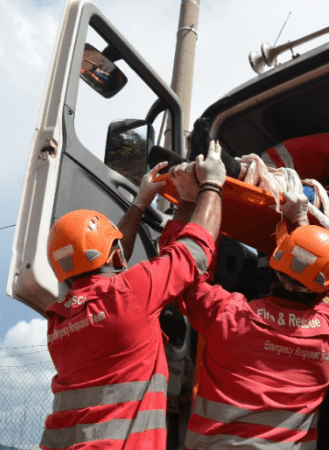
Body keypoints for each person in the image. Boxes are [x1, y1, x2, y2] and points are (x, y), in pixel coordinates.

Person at [38, 142, 227, 450]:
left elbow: (108, 263)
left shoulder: (58, 323)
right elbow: (196, 249)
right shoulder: (130, 293)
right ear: (115, 257)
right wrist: (212, 183)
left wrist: (142, 203)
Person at [160, 162, 329, 449]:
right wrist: (300, 222)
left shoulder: (229, 316)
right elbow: (323, 288)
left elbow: (177, 273)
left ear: (271, 269)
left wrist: (188, 199)